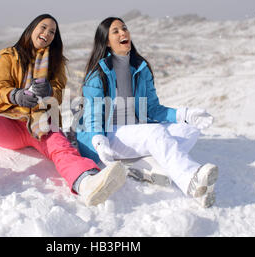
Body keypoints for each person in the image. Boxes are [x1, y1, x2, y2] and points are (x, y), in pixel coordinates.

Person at [0, 14, 127, 207]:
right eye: (43, 27)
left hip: (41, 123)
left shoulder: (56, 63)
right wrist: (15, 95)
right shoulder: (9, 56)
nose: (47, 33)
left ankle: (86, 182)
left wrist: (49, 91)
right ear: (32, 29)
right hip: (12, 122)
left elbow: (58, 93)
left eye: (52, 32)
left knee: (60, 145)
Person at [76, 17, 219, 208]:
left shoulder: (141, 68)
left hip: (135, 130)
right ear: (106, 42)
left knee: (189, 130)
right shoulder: (97, 74)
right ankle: (191, 179)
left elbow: (153, 109)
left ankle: (149, 166)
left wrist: (184, 115)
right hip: (107, 135)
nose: (123, 33)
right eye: (115, 31)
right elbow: (92, 116)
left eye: (124, 28)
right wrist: (99, 140)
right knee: (155, 134)